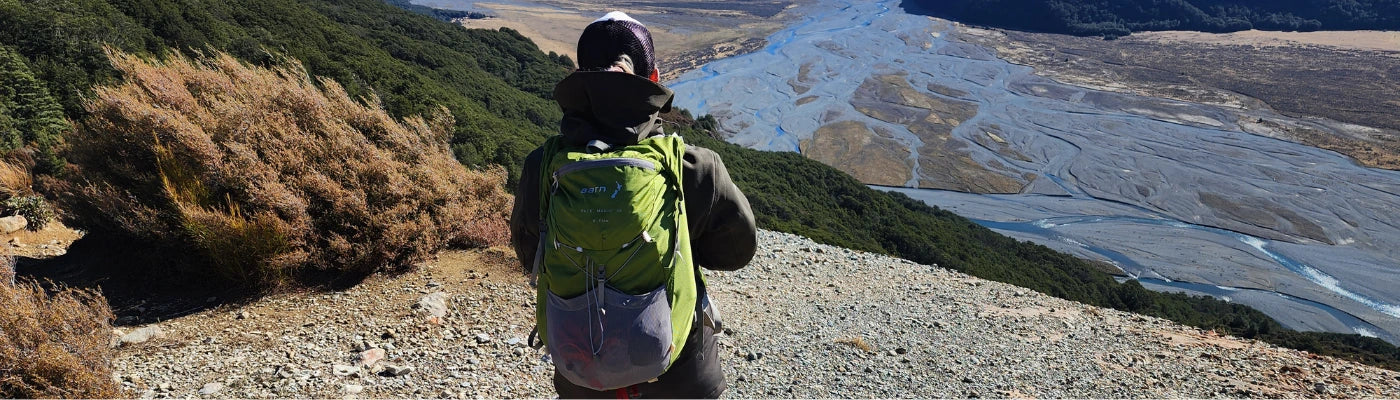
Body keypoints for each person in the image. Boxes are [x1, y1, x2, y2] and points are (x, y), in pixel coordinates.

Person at [509, 11, 757, 399]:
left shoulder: (543, 166)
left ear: (582, 77)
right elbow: (738, 251)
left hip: (581, 373)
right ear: (653, 79)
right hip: (678, 374)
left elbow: (530, 252)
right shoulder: (693, 165)